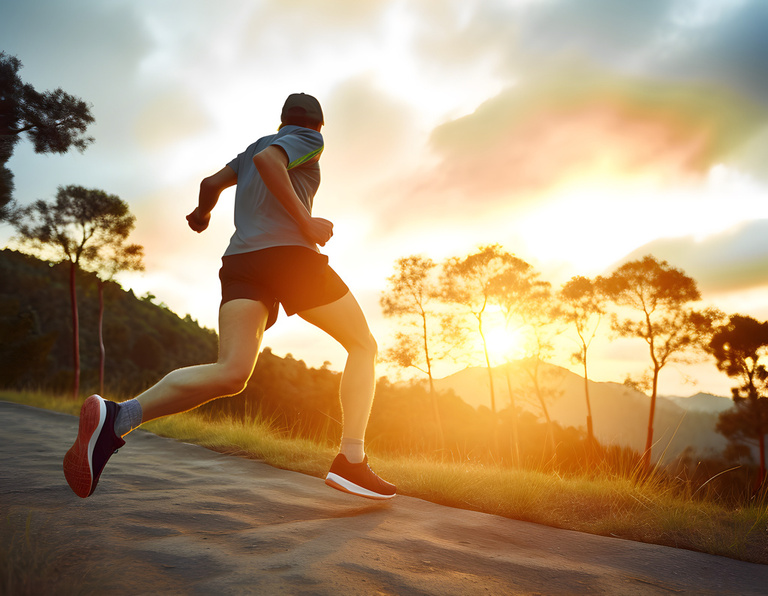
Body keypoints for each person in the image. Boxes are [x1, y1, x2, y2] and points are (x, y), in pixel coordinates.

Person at [63, 93, 396, 501]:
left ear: (281, 121)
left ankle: (117, 418)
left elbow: (210, 184)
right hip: (289, 258)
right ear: (318, 125)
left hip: (240, 263)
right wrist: (306, 222)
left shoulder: (252, 147)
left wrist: (202, 214)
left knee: (232, 372)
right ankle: (353, 461)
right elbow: (269, 162)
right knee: (363, 345)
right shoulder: (307, 140)